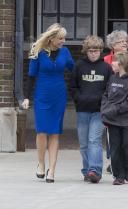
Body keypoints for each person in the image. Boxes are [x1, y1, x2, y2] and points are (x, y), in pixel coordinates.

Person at [22, 23, 75, 183]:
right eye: (60, 38)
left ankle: (52, 170)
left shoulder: (65, 52)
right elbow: (31, 77)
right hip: (42, 95)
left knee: (54, 132)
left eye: (64, 38)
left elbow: (75, 70)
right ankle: (41, 163)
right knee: (42, 131)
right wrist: (26, 97)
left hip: (59, 96)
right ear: (51, 38)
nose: (63, 41)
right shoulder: (37, 52)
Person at [70, 35, 112, 183]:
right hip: (82, 110)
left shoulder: (106, 68)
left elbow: (109, 88)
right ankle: (87, 170)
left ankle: (95, 170)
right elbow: (73, 86)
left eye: (96, 50)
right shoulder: (79, 65)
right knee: (83, 144)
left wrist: (104, 102)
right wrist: (78, 98)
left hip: (99, 111)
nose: (93, 53)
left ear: (101, 51)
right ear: (85, 51)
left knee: (94, 140)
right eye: (90, 50)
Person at [104, 30, 128, 173]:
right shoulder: (106, 61)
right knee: (112, 137)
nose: (125, 43)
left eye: (126, 40)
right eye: (121, 41)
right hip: (112, 107)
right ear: (112, 46)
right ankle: (113, 162)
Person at [101, 51, 128, 185]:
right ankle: (119, 175)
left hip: (126, 121)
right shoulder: (112, 78)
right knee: (115, 149)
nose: (112, 63)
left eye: (115, 61)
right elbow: (106, 95)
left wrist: (114, 110)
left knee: (127, 146)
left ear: (122, 64)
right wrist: (105, 108)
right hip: (112, 121)